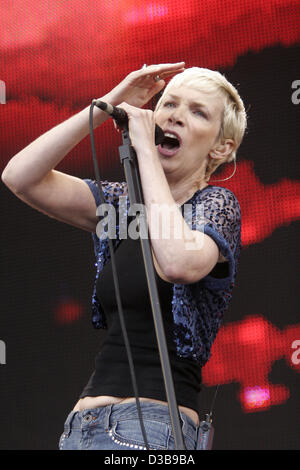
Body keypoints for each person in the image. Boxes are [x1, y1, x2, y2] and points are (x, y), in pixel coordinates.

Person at [2, 62, 247, 450]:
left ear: (221, 147)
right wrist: (109, 102)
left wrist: (146, 151)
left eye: (197, 112)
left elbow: (177, 263)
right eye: (169, 104)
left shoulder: (214, 205)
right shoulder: (122, 204)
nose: (176, 117)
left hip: (150, 429)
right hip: (83, 426)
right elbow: (20, 176)